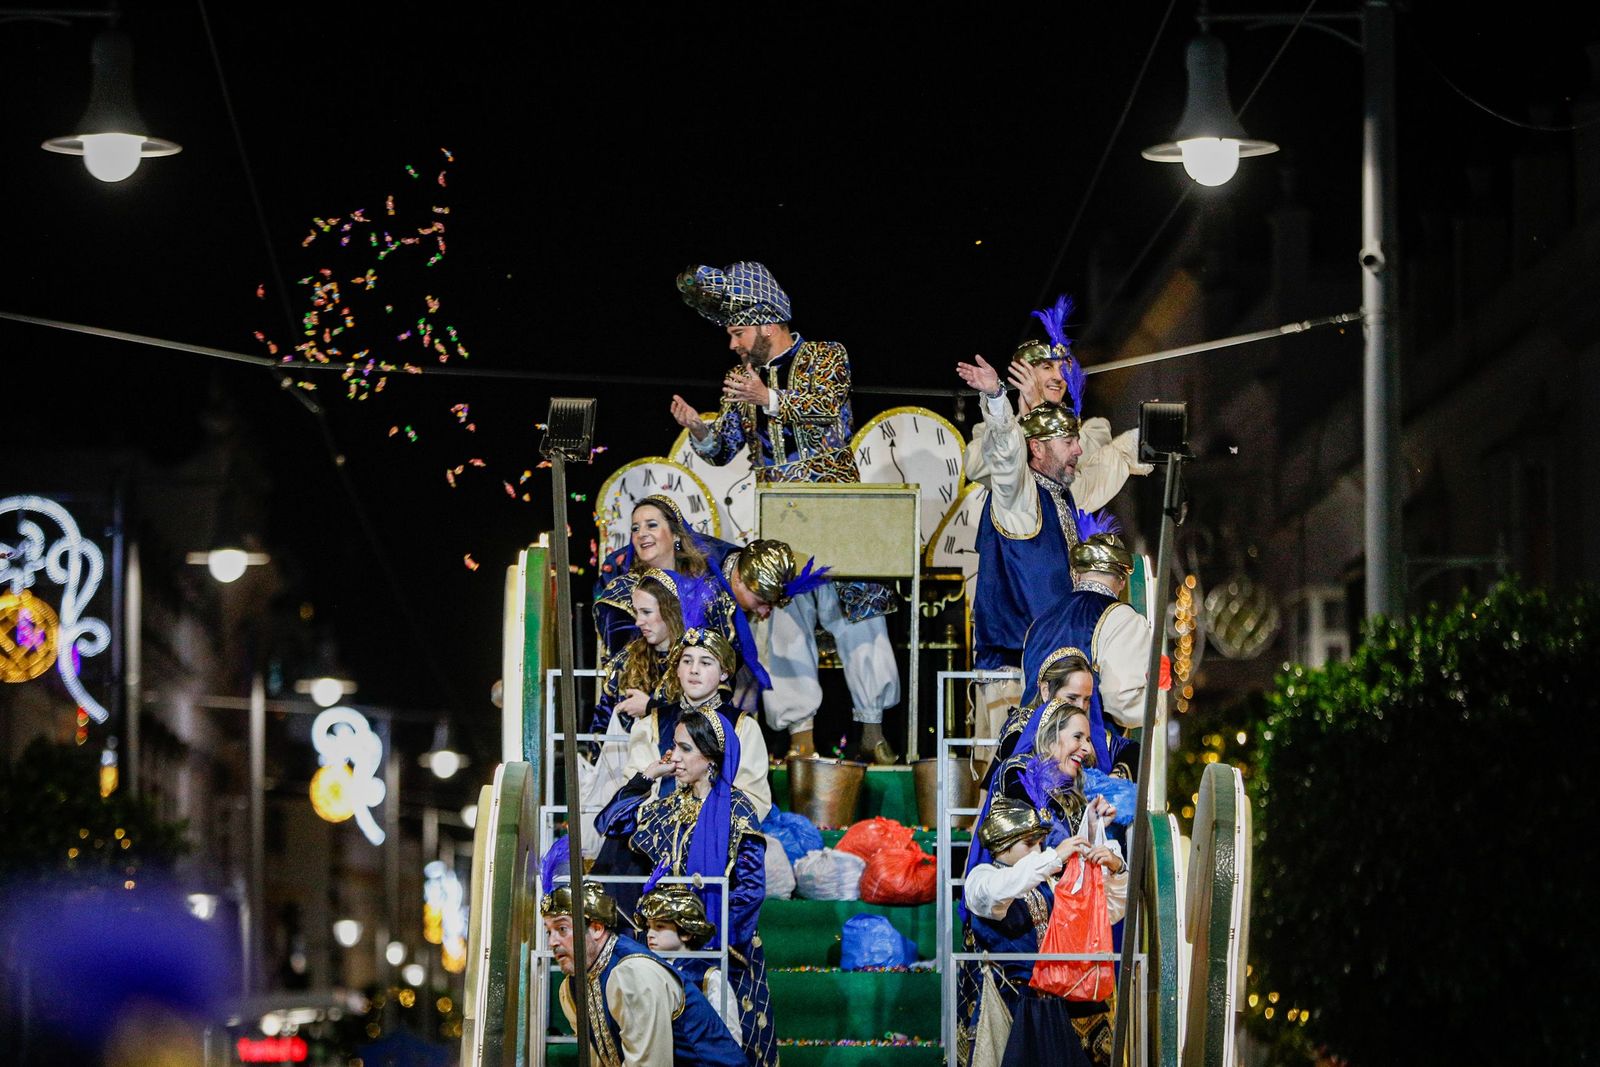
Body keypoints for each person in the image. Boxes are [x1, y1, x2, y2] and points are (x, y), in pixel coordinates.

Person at [670, 261, 903, 763]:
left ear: (766, 321)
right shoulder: (740, 376)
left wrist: (768, 396)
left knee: (858, 616)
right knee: (784, 622)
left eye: (737, 332)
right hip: (779, 514)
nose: (732, 345)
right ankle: (799, 736)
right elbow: (726, 445)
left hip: (838, 509)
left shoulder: (825, 355)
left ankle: (871, 729)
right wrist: (701, 431)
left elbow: (824, 406)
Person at [955, 297, 1147, 768]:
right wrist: (1002, 403)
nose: (1078, 449)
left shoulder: (1064, 489)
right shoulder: (1020, 488)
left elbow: (1105, 460)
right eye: (1046, 365)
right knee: (1016, 788)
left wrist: (1164, 439)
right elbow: (999, 459)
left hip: (1061, 673)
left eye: (1064, 365)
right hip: (1011, 673)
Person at [596, 706, 777, 1065]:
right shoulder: (670, 807)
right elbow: (609, 823)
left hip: (722, 949)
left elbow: (749, 892)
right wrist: (647, 776)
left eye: (684, 749)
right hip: (667, 949)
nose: (674, 757)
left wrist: (705, 945)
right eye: (673, 747)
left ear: (710, 758)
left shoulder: (737, 811)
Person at [539, 875, 746, 1066]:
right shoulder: (573, 985)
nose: (552, 942)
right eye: (549, 931)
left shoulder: (634, 974)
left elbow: (649, 1063)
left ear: (596, 928)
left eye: (562, 929)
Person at [1018, 520, 1150, 780]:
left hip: (1032, 756)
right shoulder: (1122, 617)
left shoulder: (1039, 623)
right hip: (1084, 762)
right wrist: (1155, 705)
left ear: (1076, 574)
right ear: (1121, 581)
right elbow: (1123, 701)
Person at [957, 797, 1075, 1067]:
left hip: (1048, 1004)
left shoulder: (1044, 882)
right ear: (1002, 846)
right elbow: (1003, 888)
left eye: (1040, 843)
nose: (1037, 851)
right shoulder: (981, 879)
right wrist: (1054, 857)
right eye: (1029, 844)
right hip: (1007, 1002)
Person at [623, 627, 773, 820]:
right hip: (660, 833)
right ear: (676, 670)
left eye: (705, 662)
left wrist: (708, 826)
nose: (694, 670)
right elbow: (637, 789)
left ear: (724, 673)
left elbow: (754, 796)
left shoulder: (742, 726)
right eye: (687, 661)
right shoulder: (652, 724)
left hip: (719, 834)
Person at [637, 885, 743, 1041]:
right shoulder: (648, 969)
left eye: (659, 927)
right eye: (649, 927)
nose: (650, 934)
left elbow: (729, 1038)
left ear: (686, 932)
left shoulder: (709, 977)